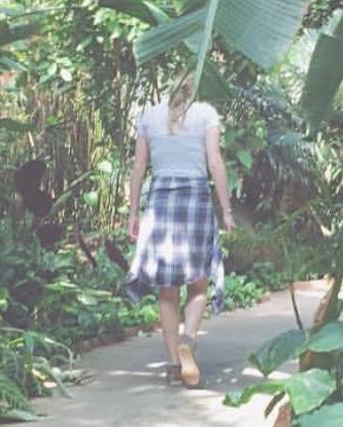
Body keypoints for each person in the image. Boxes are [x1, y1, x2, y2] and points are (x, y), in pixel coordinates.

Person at [125, 71, 234, 388]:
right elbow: (215, 162)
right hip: (196, 199)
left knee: (167, 290)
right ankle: (189, 337)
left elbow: (138, 167)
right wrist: (226, 210)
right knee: (198, 284)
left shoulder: (149, 116)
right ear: (194, 87)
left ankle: (173, 364)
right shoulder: (206, 114)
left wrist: (133, 212)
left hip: (161, 202)